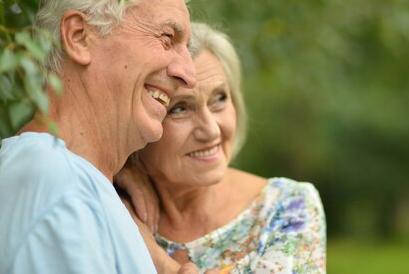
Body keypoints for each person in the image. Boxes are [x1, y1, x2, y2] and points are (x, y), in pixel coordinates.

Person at [0, 0, 209, 274]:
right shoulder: (57, 185)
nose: (188, 76)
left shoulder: (62, 181)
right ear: (79, 37)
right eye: (167, 39)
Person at [118, 22, 327, 273]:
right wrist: (111, 169)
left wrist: (156, 260)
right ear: (135, 121)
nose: (212, 130)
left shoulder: (286, 208)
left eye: (219, 99)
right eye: (180, 108)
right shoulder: (106, 201)